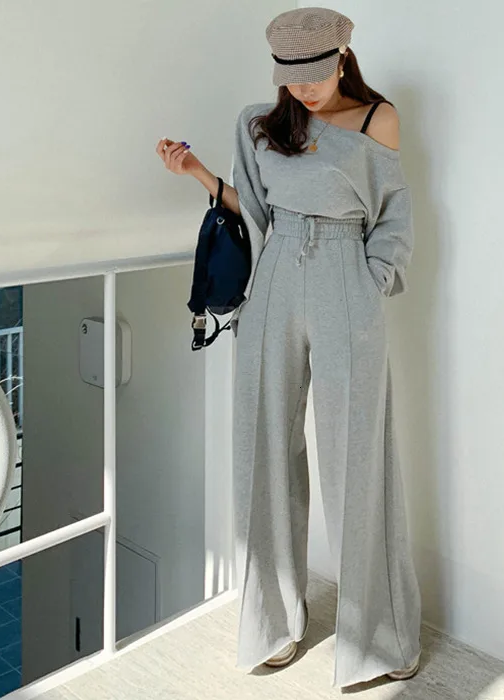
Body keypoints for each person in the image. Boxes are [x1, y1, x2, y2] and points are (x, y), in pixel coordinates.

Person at [156, 6, 421, 689]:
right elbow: (255, 210)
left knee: (356, 458)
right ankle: (271, 624)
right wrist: (197, 173)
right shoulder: (259, 123)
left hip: (346, 279)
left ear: (342, 58)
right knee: (262, 451)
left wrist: (370, 279)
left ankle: (380, 639)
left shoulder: (378, 119)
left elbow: (394, 216)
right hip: (275, 280)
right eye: (290, 78)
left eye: (315, 74)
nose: (303, 89)